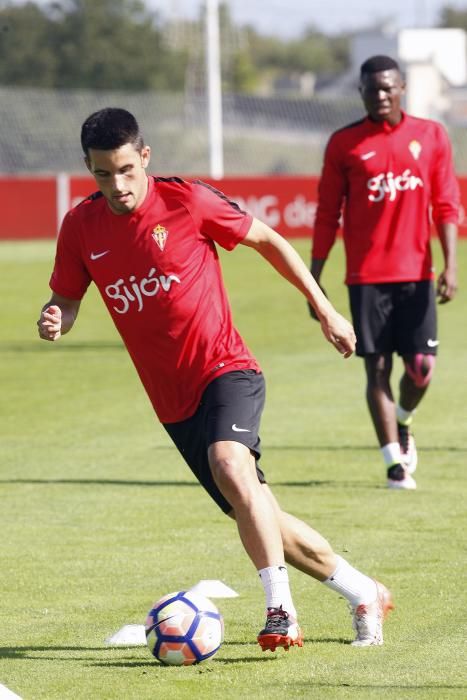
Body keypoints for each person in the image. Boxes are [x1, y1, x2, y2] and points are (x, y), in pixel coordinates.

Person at [38, 107, 393, 651]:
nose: (117, 185)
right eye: (102, 174)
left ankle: (280, 612)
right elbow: (68, 295)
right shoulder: (81, 225)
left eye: (126, 170)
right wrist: (58, 315)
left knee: (230, 464)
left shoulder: (186, 200)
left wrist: (325, 309)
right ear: (88, 168)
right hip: (172, 403)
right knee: (261, 512)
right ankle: (363, 590)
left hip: (226, 368)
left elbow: (269, 240)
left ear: (145, 158)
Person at [310, 55, 459, 491]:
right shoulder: (344, 144)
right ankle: (394, 463)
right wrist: (315, 279)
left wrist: (450, 264)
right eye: (371, 89)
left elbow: (447, 203)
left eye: (388, 88)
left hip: (416, 274)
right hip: (366, 277)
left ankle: (404, 419)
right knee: (375, 367)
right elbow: (326, 215)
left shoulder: (430, 136)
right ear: (361, 92)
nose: (380, 95)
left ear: (402, 89)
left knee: (421, 368)